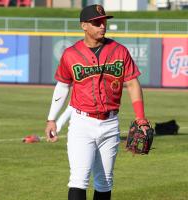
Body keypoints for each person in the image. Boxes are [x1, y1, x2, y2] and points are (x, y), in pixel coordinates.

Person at [45, 4, 150, 200]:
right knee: (79, 179)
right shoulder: (71, 54)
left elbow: (133, 84)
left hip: (110, 123)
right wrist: (51, 119)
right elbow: (62, 86)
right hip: (81, 124)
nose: (102, 26)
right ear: (84, 25)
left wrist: (141, 117)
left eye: (104, 21)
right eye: (96, 22)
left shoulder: (119, 51)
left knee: (105, 181)